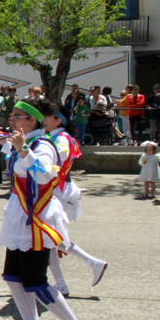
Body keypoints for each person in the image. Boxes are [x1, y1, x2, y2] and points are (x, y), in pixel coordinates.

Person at [0, 99, 88, 320]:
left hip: (36, 217)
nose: (11, 119)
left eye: (17, 116)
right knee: (13, 277)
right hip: (21, 216)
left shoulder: (42, 145)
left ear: (31, 120)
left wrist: (23, 149)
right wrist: (11, 145)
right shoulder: (26, 143)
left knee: (35, 281)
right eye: (11, 115)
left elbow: (45, 175)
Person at [42, 105, 107, 296]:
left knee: (52, 238)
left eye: (47, 116)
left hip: (58, 191)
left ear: (58, 120)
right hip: (56, 189)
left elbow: (58, 160)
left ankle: (91, 263)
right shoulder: (55, 137)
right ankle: (62, 282)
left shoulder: (61, 138)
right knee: (50, 239)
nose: (43, 119)